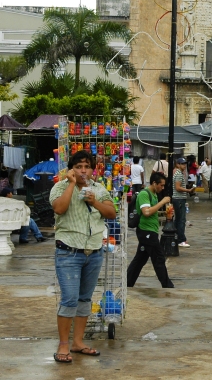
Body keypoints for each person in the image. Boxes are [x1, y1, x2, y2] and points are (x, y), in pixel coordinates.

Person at [50, 150, 116, 363]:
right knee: (69, 299)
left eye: (86, 166)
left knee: (84, 300)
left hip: (94, 252)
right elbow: (59, 209)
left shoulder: (98, 189)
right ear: (72, 169)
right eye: (78, 167)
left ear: (92, 169)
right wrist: (71, 184)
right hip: (68, 252)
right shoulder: (59, 187)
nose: (83, 170)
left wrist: (94, 201)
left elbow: (111, 213)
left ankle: (78, 342)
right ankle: (63, 345)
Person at [127, 172, 175, 288]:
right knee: (159, 258)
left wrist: (165, 214)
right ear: (154, 183)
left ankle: (127, 282)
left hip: (150, 231)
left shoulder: (153, 194)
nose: (162, 188)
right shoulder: (145, 194)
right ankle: (167, 285)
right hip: (146, 231)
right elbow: (146, 212)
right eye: (161, 185)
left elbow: (152, 212)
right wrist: (162, 202)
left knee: (139, 260)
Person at [173, 158, 194, 248]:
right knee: (181, 220)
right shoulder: (178, 174)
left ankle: (176, 237)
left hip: (179, 198)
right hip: (179, 199)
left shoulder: (179, 173)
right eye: (182, 164)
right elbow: (178, 187)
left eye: (185, 164)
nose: (184, 165)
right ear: (177, 164)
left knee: (178, 220)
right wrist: (188, 190)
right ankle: (181, 240)